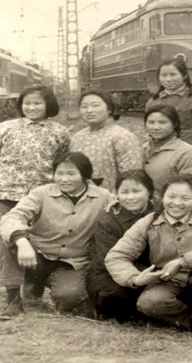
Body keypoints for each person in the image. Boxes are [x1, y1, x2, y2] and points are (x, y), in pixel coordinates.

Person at [104, 176, 192, 337]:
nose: (177, 203)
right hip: (170, 279)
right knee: (149, 302)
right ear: (162, 197)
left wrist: (182, 261)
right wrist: (135, 278)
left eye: (185, 198)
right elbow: (116, 256)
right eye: (171, 196)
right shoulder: (149, 221)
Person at [0, 152, 113, 316]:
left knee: (69, 297)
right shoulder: (41, 193)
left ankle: (40, 286)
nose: (64, 179)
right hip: (37, 254)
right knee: (9, 240)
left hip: (73, 262)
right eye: (59, 173)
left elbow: (122, 208)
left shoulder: (103, 196)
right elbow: (12, 217)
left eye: (71, 174)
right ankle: (14, 299)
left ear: (85, 175)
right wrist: (22, 241)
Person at [87, 170, 155, 322]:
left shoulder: (160, 213)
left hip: (152, 268)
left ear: (149, 191)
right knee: (113, 296)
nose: (130, 197)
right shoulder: (108, 218)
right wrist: (138, 276)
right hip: (111, 270)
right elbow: (108, 257)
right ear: (117, 194)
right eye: (124, 192)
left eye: (136, 191)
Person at [0, 86, 69, 218]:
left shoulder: (60, 132)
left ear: (48, 105)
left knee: (38, 230)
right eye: (27, 103)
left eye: (37, 103)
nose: (31, 108)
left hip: (43, 196)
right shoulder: (5, 128)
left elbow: (62, 163)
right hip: (6, 195)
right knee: (5, 228)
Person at [71, 90, 143, 192]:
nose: (89, 110)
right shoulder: (77, 137)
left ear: (109, 109)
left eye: (95, 105)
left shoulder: (123, 137)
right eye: (84, 106)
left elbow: (131, 178)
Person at [146, 57, 192, 147]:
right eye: (164, 75)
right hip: (162, 148)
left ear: (184, 75)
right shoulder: (152, 103)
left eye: (173, 74)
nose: (168, 79)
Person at [143, 105, 192, 201]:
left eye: (162, 122)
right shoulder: (142, 148)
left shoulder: (187, 152)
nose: (156, 127)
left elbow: (187, 189)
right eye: (151, 122)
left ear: (175, 124)